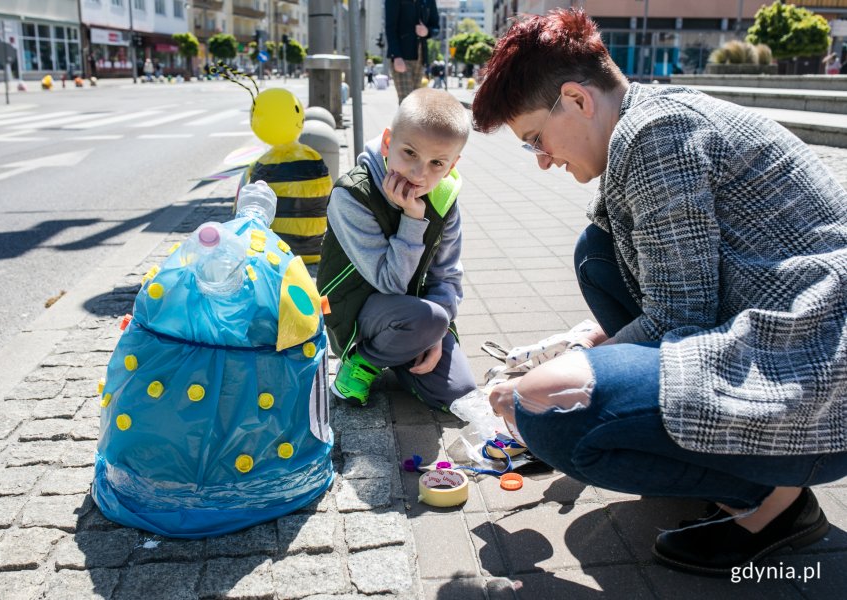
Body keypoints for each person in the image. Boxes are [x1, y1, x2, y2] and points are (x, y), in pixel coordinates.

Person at [471, 9, 847, 576]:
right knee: (597, 253)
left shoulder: (655, 136)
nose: (543, 160)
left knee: (550, 410)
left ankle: (774, 503)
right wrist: (586, 348)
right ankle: (718, 455)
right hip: (786, 325)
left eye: (535, 140)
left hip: (817, 374)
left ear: (576, 99)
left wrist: (548, 379)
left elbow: (679, 317)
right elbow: (672, 296)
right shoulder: (649, 120)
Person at [316, 88, 476, 410]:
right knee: (426, 320)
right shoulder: (352, 195)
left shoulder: (444, 198)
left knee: (458, 392)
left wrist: (436, 330)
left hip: (416, 314)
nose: (420, 174)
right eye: (410, 154)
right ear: (388, 143)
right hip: (354, 312)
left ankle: (403, 349)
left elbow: (447, 275)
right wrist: (413, 220)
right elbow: (389, 282)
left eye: (437, 163)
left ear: (452, 165)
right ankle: (361, 362)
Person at [385, 0, 440, 104]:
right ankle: (403, 120)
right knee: (406, 102)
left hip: (421, 57)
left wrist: (427, 31)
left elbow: (436, 27)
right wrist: (396, 56)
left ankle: (405, 121)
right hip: (401, 56)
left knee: (416, 103)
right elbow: (390, 28)